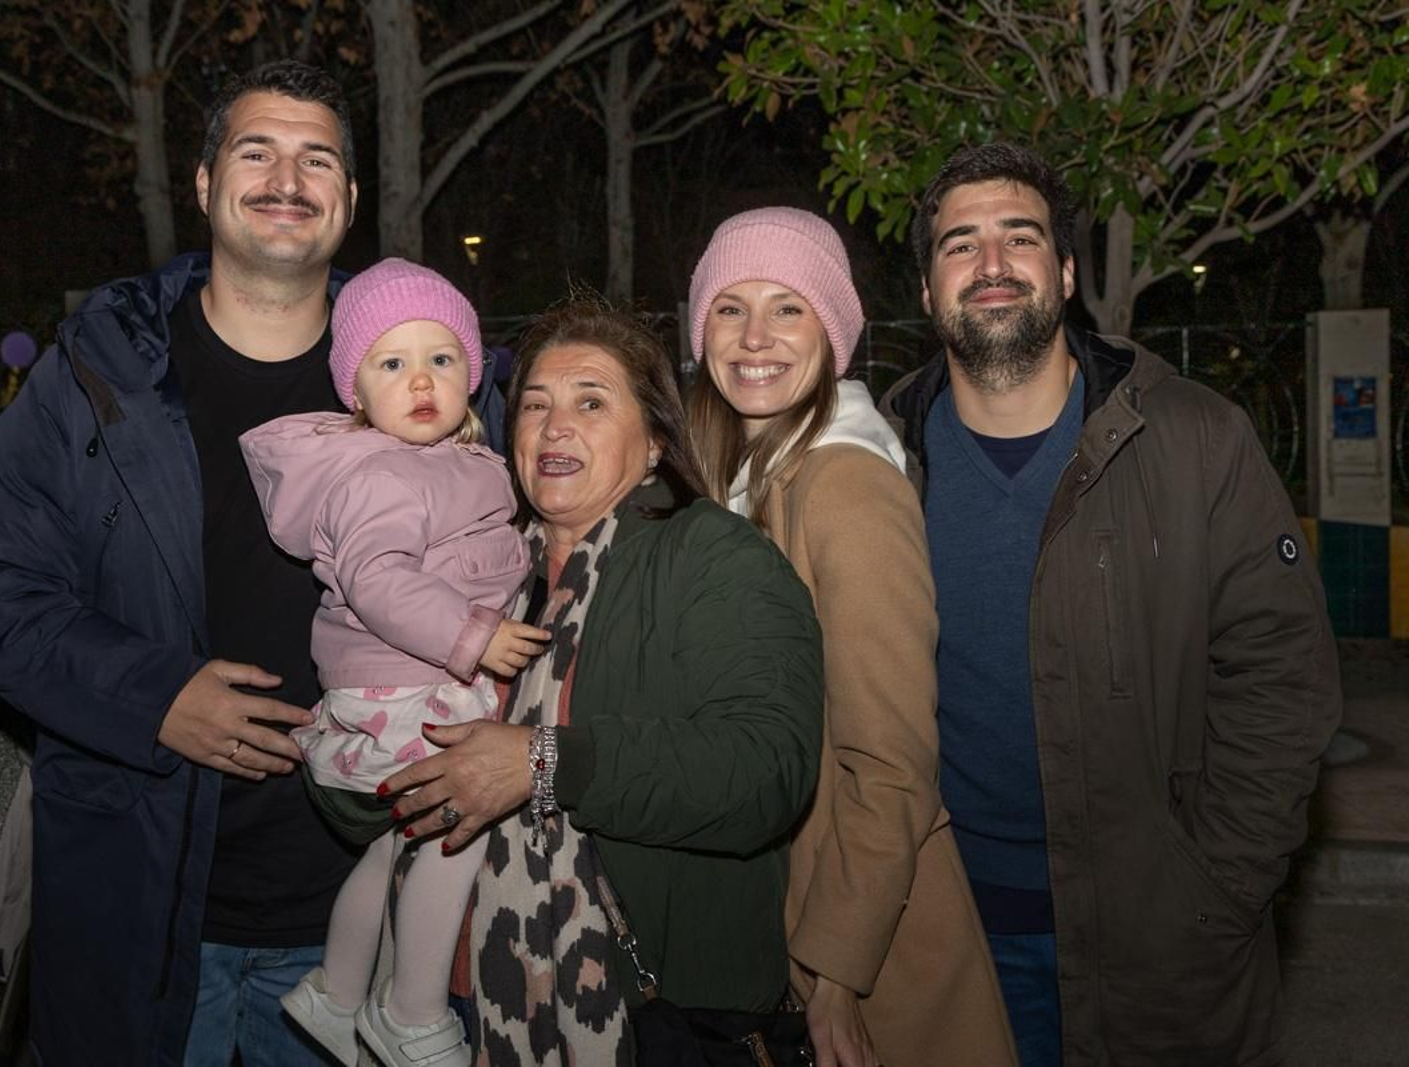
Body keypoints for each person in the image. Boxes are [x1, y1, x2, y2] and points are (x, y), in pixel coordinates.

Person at [0, 62, 499, 1066]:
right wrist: (153, 694)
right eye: (257, 151)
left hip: (358, 912)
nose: (288, 177)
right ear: (202, 183)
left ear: (350, 200)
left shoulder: (434, 381)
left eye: (317, 157)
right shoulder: (100, 371)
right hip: (144, 907)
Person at [880, 141, 1343, 1066]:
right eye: (959, 244)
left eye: (1020, 237)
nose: (993, 264)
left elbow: (1282, 683)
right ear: (928, 292)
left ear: (1064, 272)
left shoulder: (1196, 439)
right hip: (942, 938)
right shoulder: (876, 462)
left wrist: (1216, 886)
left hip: (1158, 945)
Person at [375, 298, 825, 1065]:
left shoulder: (712, 556)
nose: (554, 427)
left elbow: (766, 771)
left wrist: (546, 762)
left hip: (652, 1011)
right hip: (460, 1003)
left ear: (655, 443)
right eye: (536, 406)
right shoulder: (472, 578)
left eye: (591, 401)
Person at [684, 207, 1017, 1067]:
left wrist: (836, 971)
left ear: (832, 333)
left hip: (860, 936)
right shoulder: (733, 481)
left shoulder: (846, 483)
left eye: (790, 307)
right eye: (730, 307)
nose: (756, 335)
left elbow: (893, 763)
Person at [236, 259, 545, 1067]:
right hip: (406, 689)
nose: (421, 381)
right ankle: (410, 1014)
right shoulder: (382, 472)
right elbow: (377, 580)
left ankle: (336, 992)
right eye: (392, 362)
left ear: (472, 375)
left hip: (398, 689)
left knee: (390, 845)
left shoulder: (448, 462)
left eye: (441, 359)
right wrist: (473, 635)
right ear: (355, 390)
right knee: (455, 828)